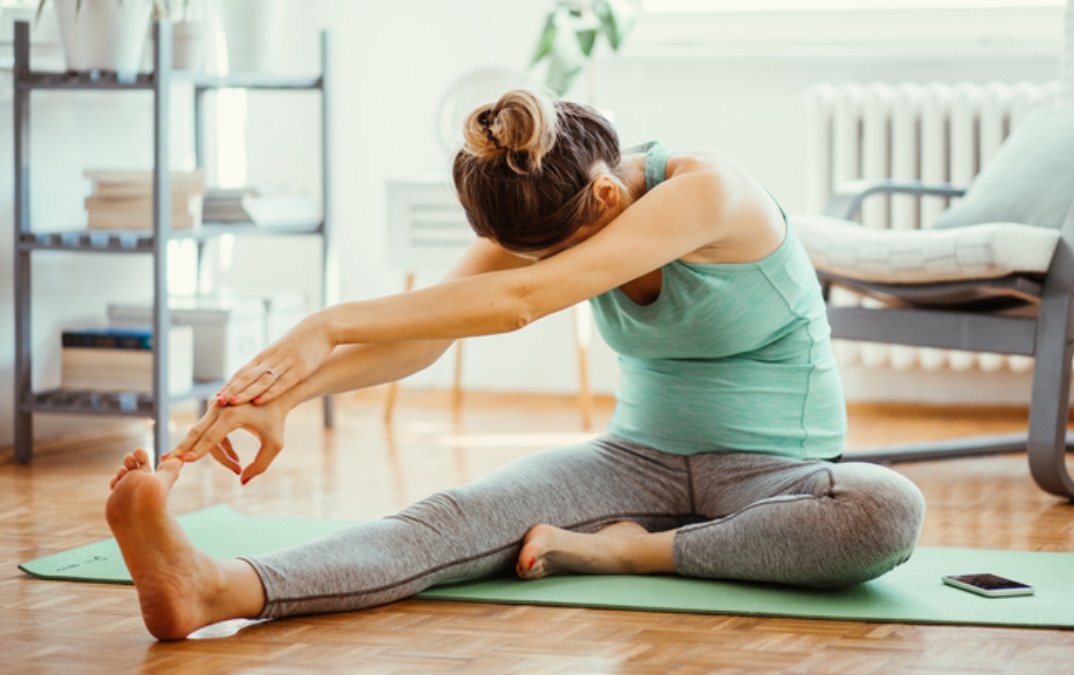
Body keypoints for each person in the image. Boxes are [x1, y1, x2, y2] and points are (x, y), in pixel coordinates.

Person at [105, 89, 926, 641]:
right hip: (631, 461)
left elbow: (519, 301)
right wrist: (286, 393)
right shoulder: (550, 201)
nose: (530, 263)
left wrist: (323, 325)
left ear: (607, 200)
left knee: (884, 508)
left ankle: (631, 551)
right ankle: (216, 586)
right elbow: (430, 333)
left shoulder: (709, 193)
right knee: (449, 517)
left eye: (550, 254)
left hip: (773, 476)